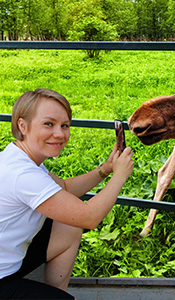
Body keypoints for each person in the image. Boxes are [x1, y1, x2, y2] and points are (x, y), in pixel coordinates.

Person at [0, 88, 134, 299]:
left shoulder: (18, 156)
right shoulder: (22, 174)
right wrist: (120, 176)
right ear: (22, 125)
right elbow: (89, 217)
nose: (60, 134)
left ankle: (54, 293)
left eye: (65, 125)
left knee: (68, 226)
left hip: (9, 260)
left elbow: (64, 188)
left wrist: (105, 170)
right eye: (49, 124)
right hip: (2, 278)